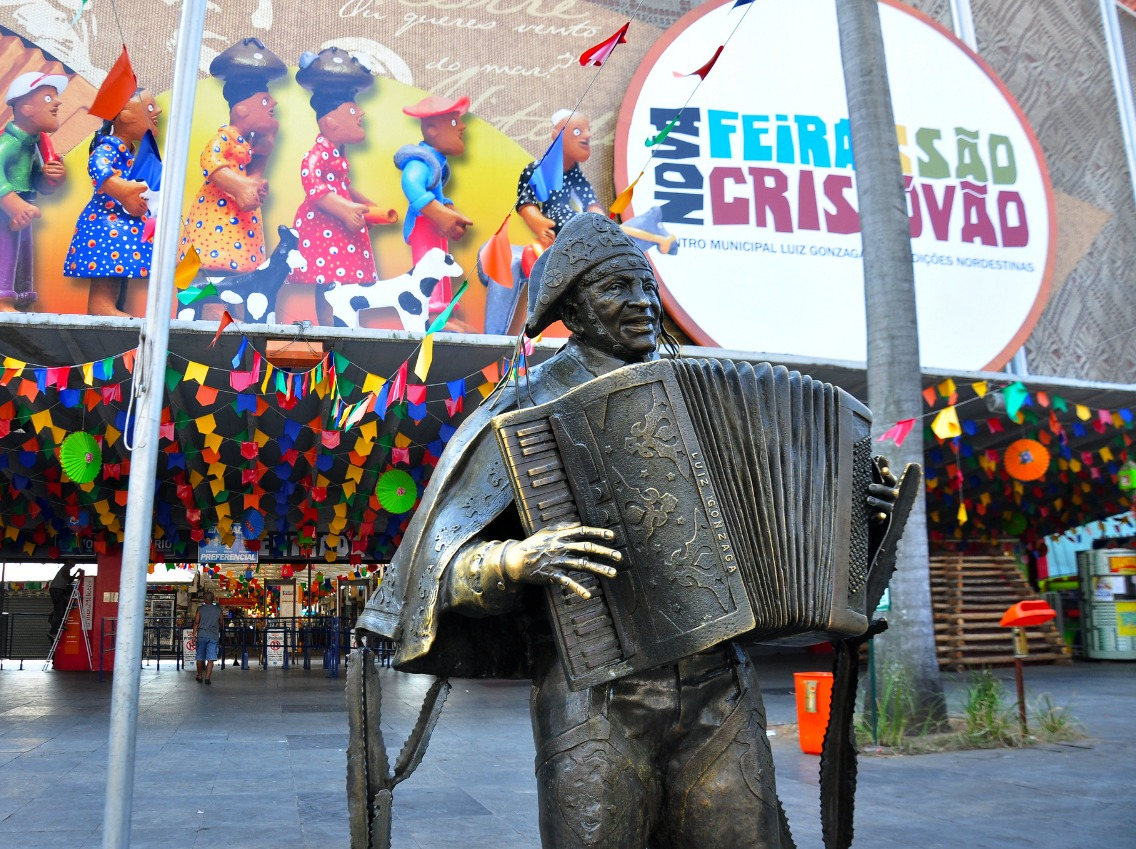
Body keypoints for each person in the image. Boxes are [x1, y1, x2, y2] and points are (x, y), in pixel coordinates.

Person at [358, 213, 898, 848]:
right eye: (617, 287)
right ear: (572, 307)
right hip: (597, 700)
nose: (643, 303)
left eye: (647, 286)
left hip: (720, 688)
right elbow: (435, 568)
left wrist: (857, 515)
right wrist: (517, 560)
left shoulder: (702, 392)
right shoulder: (527, 408)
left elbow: (790, 538)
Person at [178, 39, 287, 319]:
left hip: (239, 219)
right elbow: (210, 162)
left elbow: (253, 182)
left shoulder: (248, 144)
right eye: (264, 100)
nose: (273, 104)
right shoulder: (225, 136)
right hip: (216, 215)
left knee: (232, 267)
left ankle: (220, 313)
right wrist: (240, 186)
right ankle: (205, 312)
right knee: (212, 264)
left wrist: (264, 154)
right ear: (241, 110)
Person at [291, 47, 380, 324]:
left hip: (343, 229)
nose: (360, 113)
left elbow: (342, 185)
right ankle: (330, 327)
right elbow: (314, 188)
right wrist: (345, 209)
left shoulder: (338, 155)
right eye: (352, 109)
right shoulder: (316, 154)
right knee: (329, 279)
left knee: (346, 282)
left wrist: (365, 205)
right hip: (324, 229)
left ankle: (346, 326)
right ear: (330, 121)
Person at [64, 90, 162, 316]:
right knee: (109, 264)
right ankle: (101, 306)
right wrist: (124, 191)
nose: (158, 111)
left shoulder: (131, 151)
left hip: (121, 221)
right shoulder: (109, 147)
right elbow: (97, 167)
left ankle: (114, 307)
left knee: (119, 265)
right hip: (106, 222)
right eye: (149, 108)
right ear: (125, 116)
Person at [0, 71, 68, 311]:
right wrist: (13, 204)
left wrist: (51, 178)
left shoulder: (33, 143)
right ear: (26, 107)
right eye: (48, 99)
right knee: (6, 247)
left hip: (26, 203)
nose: (57, 102)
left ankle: (21, 294)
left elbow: (37, 181)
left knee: (23, 252)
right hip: (8, 207)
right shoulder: (10, 142)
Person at [394, 95, 474, 315]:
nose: (462, 127)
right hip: (422, 226)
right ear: (431, 130)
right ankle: (430, 311)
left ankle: (443, 311)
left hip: (433, 228)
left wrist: (449, 211)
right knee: (429, 267)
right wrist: (438, 214)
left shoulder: (437, 161)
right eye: (455, 122)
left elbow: (436, 194)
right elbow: (411, 184)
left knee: (442, 264)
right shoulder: (420, 160)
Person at [515, 110, 605, 251]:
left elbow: (590, 201)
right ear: (557, 136)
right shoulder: (536, 170)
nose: (588, 135)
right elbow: (526, 202)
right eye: (577, 132)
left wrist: (602, 222)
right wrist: (539, 223)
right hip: (552, 221)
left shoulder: (574, 175)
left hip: (572, 219)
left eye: (588, 131)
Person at [192, 590, 224, 685]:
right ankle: (207, 678)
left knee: (200, 657)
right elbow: (221, 623)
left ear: (205, 599)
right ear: (213, 599)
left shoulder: (200, 609)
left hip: (202, 635)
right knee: (211, 658)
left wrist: (194, 634)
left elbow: (196, 622)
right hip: (213, 636)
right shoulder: (218, 610)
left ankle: (199, 676)